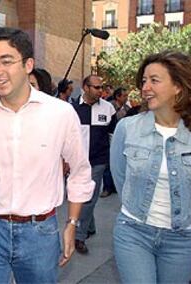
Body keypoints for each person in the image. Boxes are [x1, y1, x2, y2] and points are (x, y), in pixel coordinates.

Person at [0, 27, 95, 283]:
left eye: (6, 61)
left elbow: (79, 171)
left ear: (28, 64)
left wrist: (72, 224)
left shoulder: (60, 114)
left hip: (40, 233)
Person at [110, 51, 191, 283]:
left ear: (178, 86)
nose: (145, 87)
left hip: (183, 239)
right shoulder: (127, 128)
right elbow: (120, 176)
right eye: (144, 81)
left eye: (154, 80)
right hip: (134, 232)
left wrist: (188, 211)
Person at [71, 75, 117, 254]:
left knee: (88, 199)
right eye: (96, 87)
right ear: (85, 87)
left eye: (101, 87)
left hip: (98, 162)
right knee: (79, 197)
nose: (100, 91)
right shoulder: (72, 109)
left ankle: (79, 237)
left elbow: (113, 135)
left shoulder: (108, 108)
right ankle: (89, 227)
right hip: (77, 161)